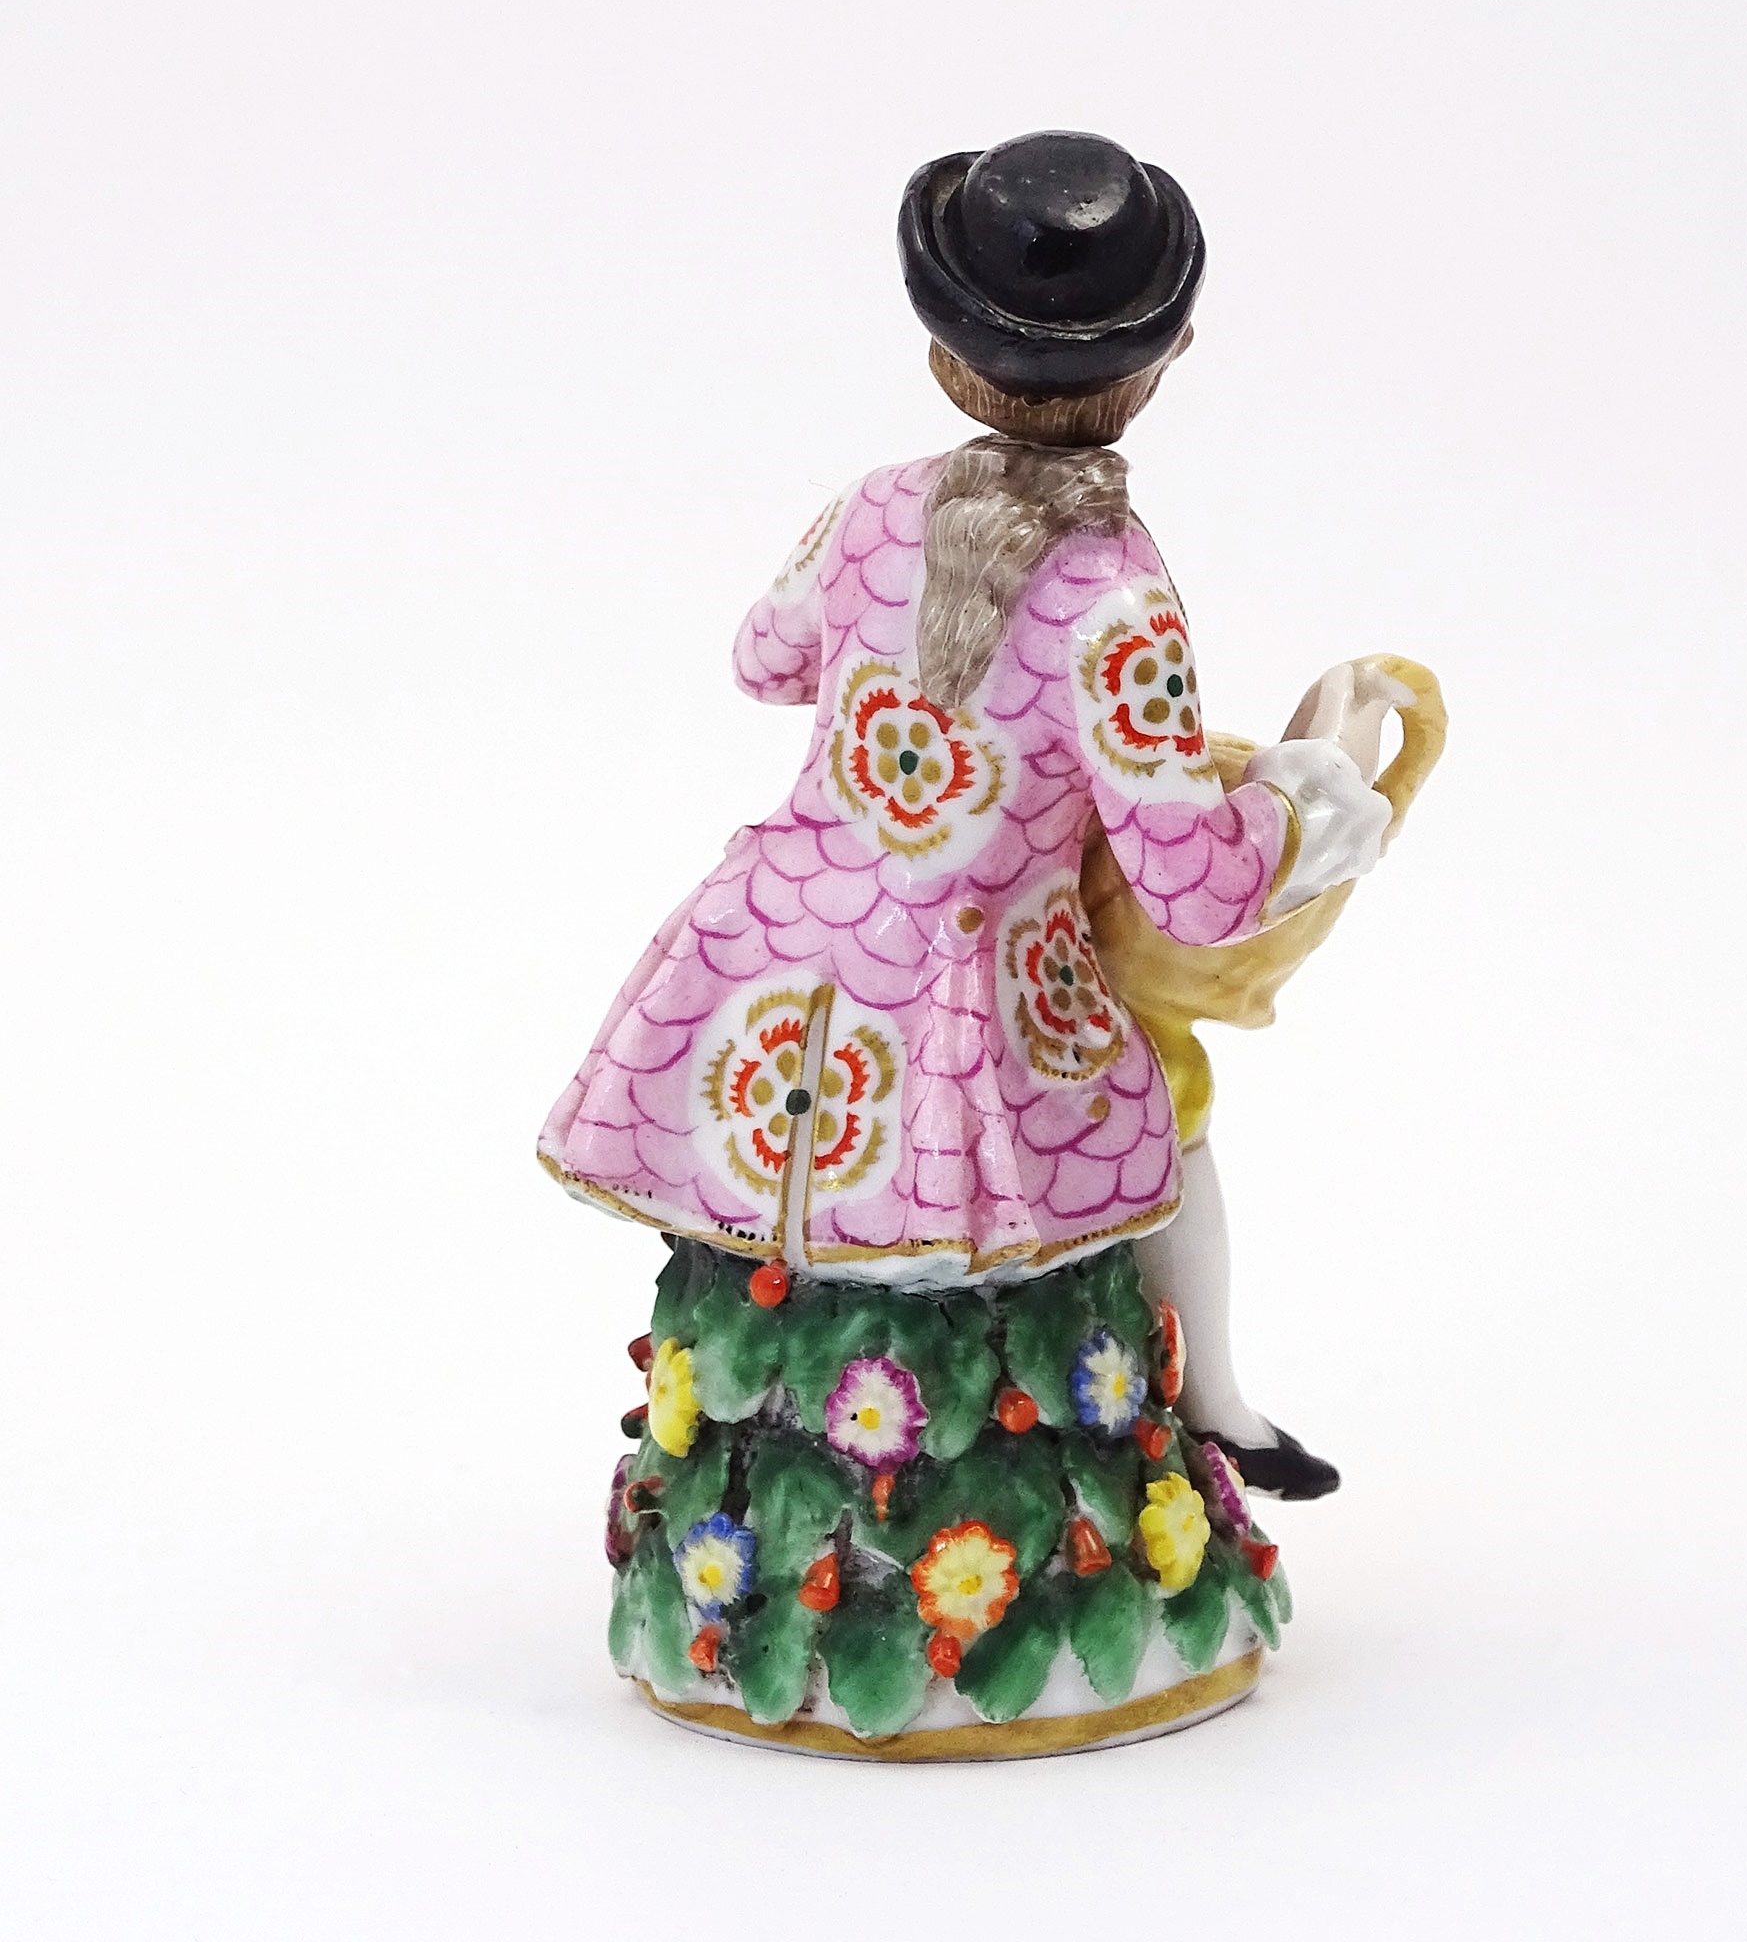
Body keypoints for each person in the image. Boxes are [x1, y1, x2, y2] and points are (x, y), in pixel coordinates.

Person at [539, 130, 1402, 1498]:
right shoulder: (1115, 593)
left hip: (773, 953)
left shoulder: (871, 507)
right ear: (1163, 363)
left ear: (944, 359)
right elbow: (1190, 888)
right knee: (1166, 1118)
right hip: (974, 991)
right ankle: (1212, 1407)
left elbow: (762, 660)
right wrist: (1308, 806)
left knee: (775, 1159)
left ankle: (746, 1441)